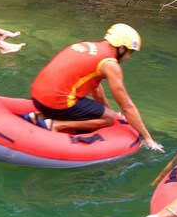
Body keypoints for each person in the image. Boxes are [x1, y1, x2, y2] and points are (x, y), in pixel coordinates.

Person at [25, 23, 163, 150]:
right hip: (56, 103)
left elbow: (95, 88)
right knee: (108, 119)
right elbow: (126, 106)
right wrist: (147, 138)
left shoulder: (88, 46)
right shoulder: (109, 64)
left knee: (106, 114)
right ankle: (56, 125)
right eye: (130, 52)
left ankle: (39, 116)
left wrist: (110, 111)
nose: (129, 57)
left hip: (37, 97)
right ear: (121, 48)